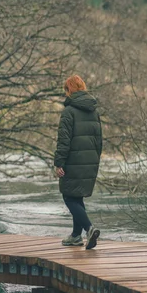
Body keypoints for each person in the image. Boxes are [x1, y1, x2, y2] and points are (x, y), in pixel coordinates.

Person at [54, 74, 102, 249]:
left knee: (69, 196)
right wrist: (95, 160)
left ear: (69, 90)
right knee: (77, 196)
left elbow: (64, 140)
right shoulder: (94, 111)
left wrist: (59, 163)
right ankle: (75, 236)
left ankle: (89, 228)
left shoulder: (69, 112)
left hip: (73, 161)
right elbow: (100, 140)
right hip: (90, 161)